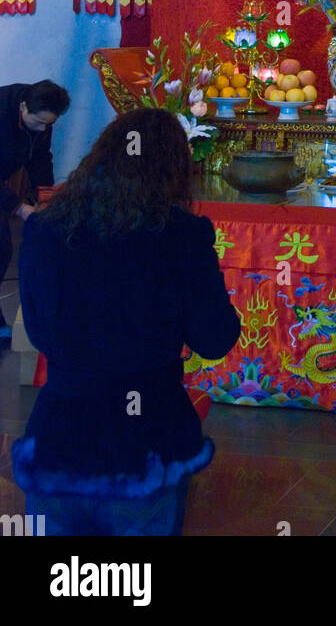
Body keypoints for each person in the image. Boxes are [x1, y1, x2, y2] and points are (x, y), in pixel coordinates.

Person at [12, 107, 240, 536]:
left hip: (60, 434)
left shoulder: (45, 230)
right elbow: (215, 338)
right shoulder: (181, 234)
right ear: (174, 172)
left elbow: (41, 332)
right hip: (146, 437)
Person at [0, 79, 70, 340]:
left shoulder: (42, 121)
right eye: (39, 122)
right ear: (22, 107)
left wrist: (45, 197)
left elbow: (41, 158)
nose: (44, 129)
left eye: (48, 124)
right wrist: (18, 207)